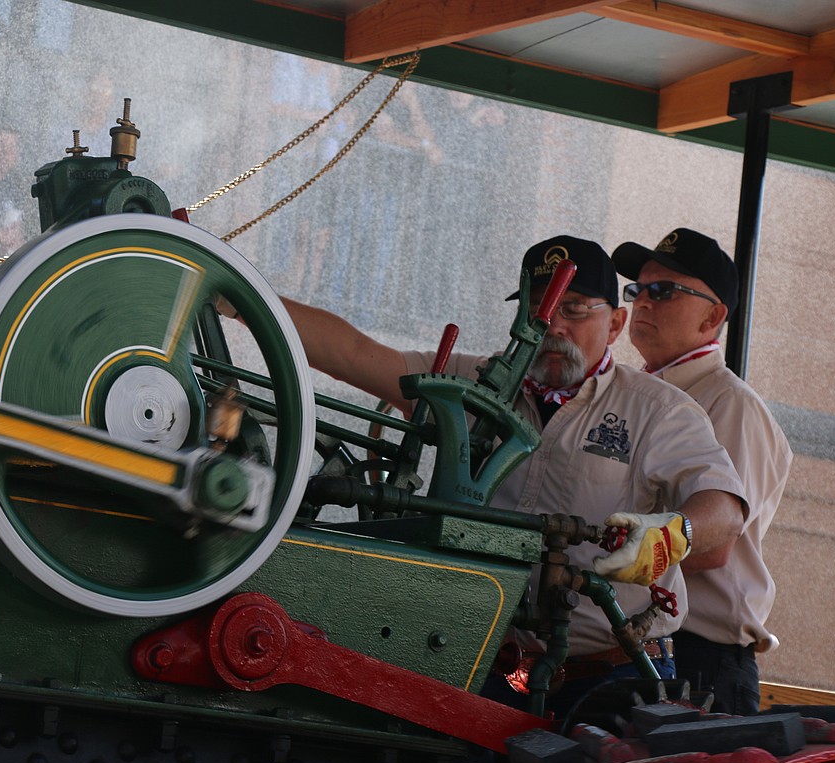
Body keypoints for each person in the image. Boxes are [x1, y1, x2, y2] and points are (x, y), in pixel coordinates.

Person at [279, 234, 747, 717]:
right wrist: (236, 294)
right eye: (537, 312)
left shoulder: (658, 411)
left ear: (616, 323)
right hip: (491, 668)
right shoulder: (475, 383)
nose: (553, 327)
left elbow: (725, 509)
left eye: (576, 309)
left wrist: (671, 536)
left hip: (614, 676)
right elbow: (356, 355)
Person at [611, 227, 793, 715]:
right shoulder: (635, 398)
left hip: (702, 659)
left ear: (714, 316)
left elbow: (713, 545)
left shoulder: (731, 406)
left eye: (664, 290)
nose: (643, 302)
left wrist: (579, 563)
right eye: (637, 289)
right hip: (644, 643)